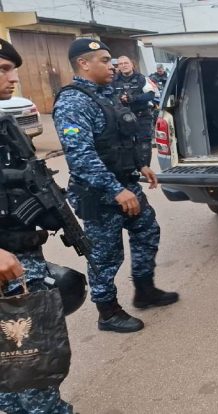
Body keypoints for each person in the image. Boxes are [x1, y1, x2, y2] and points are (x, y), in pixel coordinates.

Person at [54, 39, 178, 333]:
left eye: (111, 60)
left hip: (124, 183)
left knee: (147, 231)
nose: (111, 65)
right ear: (83, 63)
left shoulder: (107, 95)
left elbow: (120, 138)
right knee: (105, 255)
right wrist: (115, 190)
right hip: (99, 193)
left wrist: (140, 165)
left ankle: (145, 290)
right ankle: (107, 311)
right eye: (104, 60)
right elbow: (81, 157)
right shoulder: (73, 102)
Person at [0, 38, 74, 414]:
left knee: (25, 358)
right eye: (2, 69)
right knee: (28, 359)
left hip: (21, 251)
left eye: (12, 68)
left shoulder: (3, 122)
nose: (13, 77)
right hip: (6, 261)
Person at [112, 56, 156, 166]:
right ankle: (130, 167)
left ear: (132, 64)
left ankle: (145, 168)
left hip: (142, 116)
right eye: (120, 64)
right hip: (123, 118)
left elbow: (151, 95)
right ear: (118, 67)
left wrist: (133, 98)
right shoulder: (113, 80)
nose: (123, 65)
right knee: (125, 144)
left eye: (126, 62)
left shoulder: (142, 79)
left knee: (144, 142)